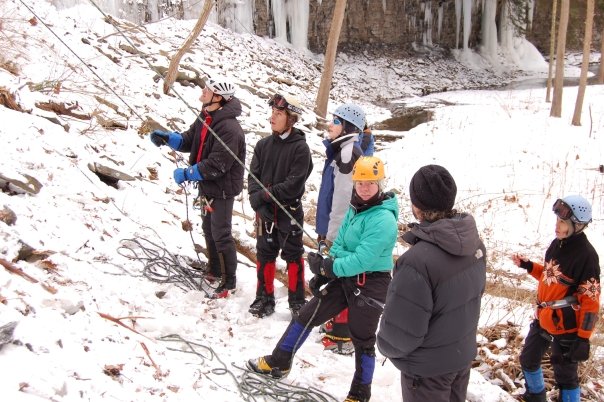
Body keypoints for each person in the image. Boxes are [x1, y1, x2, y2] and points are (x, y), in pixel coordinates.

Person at [248, 156, 399, 402]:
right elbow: (340, 243)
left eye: (370, 182)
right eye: (360, 182)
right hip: (346, 277)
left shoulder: (383, 219)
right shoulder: (356, 206)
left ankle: (360, 394)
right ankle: (279, 361)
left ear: (379, 183)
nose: (364, 187)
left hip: (371, 284)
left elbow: (363, 259)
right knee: (306, 315)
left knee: (362, 339)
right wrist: (324, 268)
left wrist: (330, 268)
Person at [377, 164, 487, 402]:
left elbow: (401, 334)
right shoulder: (475, 245)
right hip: (460, 358)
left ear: (417, 207)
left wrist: (384, 343)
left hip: (427, 372)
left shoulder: (416, 262)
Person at [150, 77, 245, 299]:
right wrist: (168, 138)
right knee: (208, 229)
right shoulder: (207, 115)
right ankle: (214, 269)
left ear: (218, 97)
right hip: (207, 185)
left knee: (221, 233)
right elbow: (189, 139)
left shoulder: (229, 128)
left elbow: (218, 164)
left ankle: (229, 281)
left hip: (222, 188)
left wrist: (187, 173)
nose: (202, 92)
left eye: (207, 90)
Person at [512, 195, 600, 402]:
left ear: (577, 225)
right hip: (544, 317)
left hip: (567, 326)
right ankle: (536, 396)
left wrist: (583, 338)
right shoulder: (557, 244)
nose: (556, 226)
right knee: (528, 359)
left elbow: (591, 301)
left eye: (562, 222)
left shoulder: (587, 256)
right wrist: (529, 266)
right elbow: (550, 276)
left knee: (566, 377)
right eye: (557, 220)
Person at [247, 93, 313, 318]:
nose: (272, 118)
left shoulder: (300, 149)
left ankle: (297, 302)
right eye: (272, 113)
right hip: (265, 212)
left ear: (291, 118)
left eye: (278, 114)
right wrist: (256, 200)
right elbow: (252, 177)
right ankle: (264, 298)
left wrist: (263, 195)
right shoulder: (263, 145)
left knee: (293, 255)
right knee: (265, 253)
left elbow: (293, 185)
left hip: (289, 211)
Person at [315, 103, 365, 354]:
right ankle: (336, 326)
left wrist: (331, 237)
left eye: (335, 121)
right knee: (336, 278)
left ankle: (342, 336)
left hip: (341, 233)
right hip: (337, 229)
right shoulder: (343, 150)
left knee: (342, 281)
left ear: (347, 127)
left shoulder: (347, 153)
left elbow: (342, 201)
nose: (330, 125)